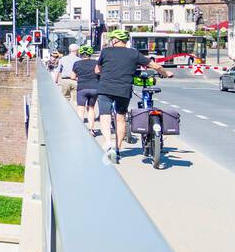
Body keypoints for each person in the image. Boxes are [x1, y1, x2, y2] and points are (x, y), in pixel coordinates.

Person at [95, 29, 173, 164]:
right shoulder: (134, 53)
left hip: (105, 88)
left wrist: (106, 73)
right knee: (120, 118)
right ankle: (118, 149)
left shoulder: (106, 52)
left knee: (105, 117)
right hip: (123, 90)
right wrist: (167, 74)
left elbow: (97, 70)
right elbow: (156, 66)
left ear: (115, 40)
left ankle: (108, 144)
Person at [72, 45, 100, 133]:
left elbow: (72, 76)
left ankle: (81, 130)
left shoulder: (77, 63)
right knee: (91, 108)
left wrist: (80, 78)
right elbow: (100, 73)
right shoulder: (96, 63)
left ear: (81, 54)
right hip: (94, 88)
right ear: (90, 54)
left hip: (82, 88)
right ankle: (91, 129)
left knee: (81, 109)